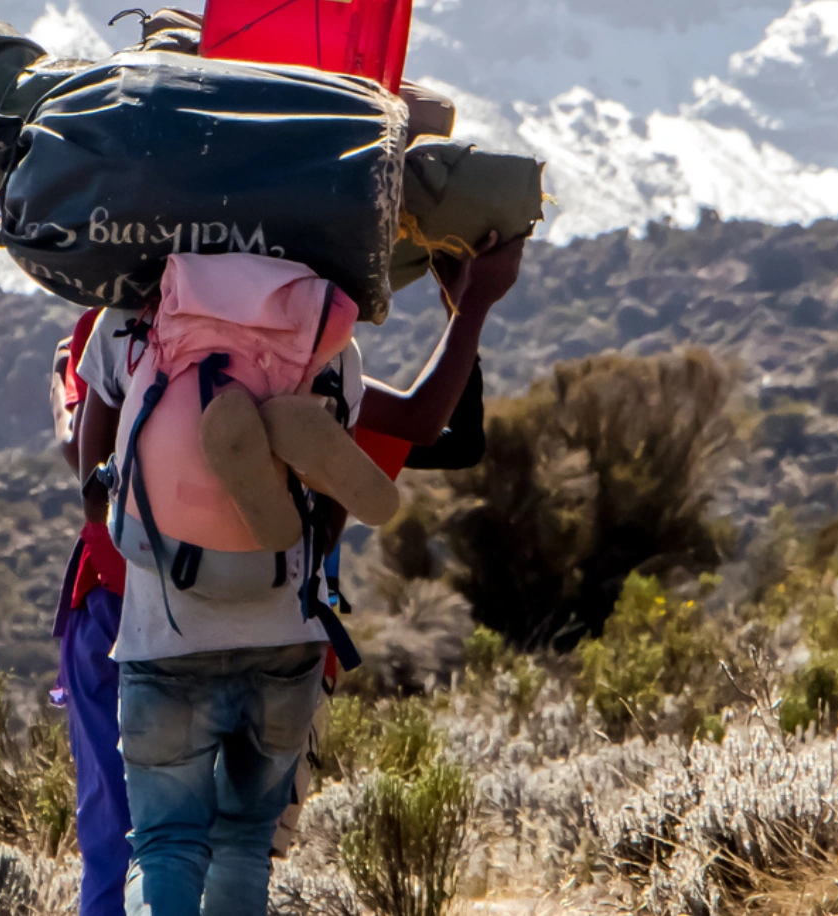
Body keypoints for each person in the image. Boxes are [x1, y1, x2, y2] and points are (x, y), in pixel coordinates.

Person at [73, 237, 524, 916]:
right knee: (246, 845)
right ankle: (278, 447)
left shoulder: (127, 325)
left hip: (164, 635)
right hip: (285, 637)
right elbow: (426, 427)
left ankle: (233, 455)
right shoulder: (325, 337)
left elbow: (91, 492)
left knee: (166, 843)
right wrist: (473, 305)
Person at [50, 309, 133, 916]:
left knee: (111, 806)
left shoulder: (109, 319)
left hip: (112, 588)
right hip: (228, 594)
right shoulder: (259, 306)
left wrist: (59, 381)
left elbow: (79, 450)